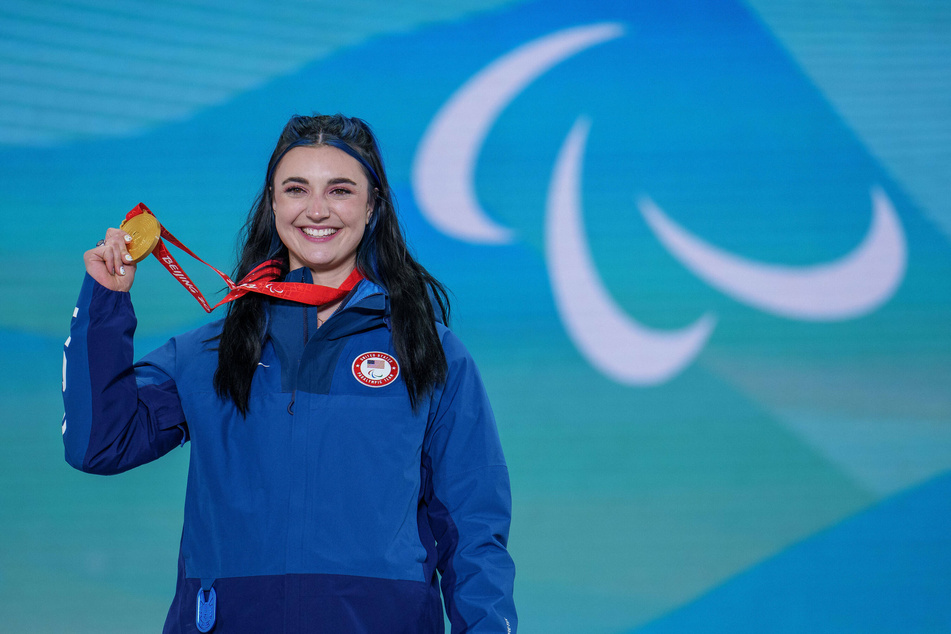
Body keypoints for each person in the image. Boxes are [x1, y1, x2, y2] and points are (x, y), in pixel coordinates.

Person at [62, 114, 517, 633]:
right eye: (296, 189)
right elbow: (99, 444)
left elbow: (473, 531)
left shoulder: (429, 352)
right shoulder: (211, 351)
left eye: (340, 190)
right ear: (273, 203)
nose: (317, 210)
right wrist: (105, 305)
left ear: (372, 206)